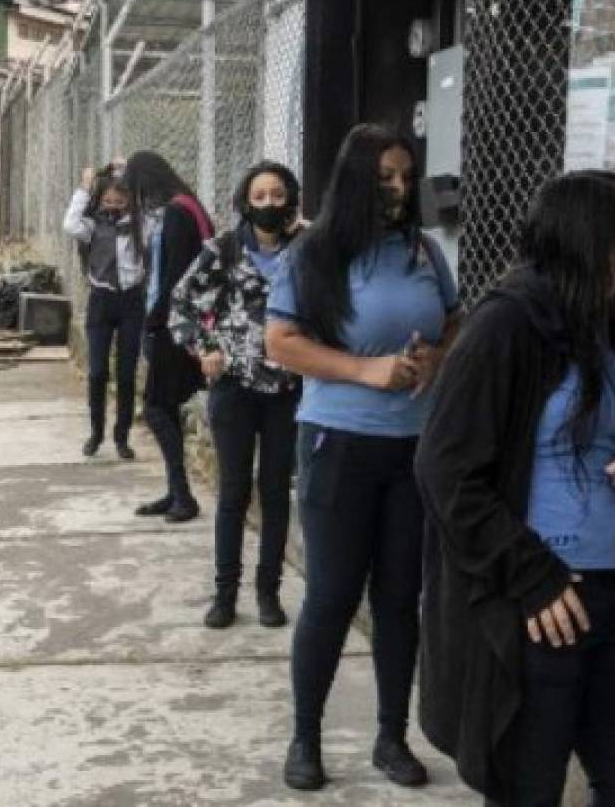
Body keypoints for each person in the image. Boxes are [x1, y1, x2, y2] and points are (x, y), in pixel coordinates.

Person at [414, 171, 615, 806]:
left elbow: (605, 444)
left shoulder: (598, 324)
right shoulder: (505, 325)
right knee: (526, 789)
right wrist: (531, 576)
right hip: (538, 606)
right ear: (593, 239)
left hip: (610, 599)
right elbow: (444, 468)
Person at [265, 124, 461, 792]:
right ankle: (306, 738)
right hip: (337, 444)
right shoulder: (314, 254)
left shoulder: (425, 252)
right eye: (385, 180)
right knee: (331, 596)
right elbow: (281, 343)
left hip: (414, 449)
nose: (401, 190)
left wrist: (438, 357)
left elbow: (454, 321)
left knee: (401, 598)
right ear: (355, 183)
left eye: (407, 177)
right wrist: (365, 370)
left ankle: (390, 737)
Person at [170, 160, 305, 630]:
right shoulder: (223, 250)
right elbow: (182, 303)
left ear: (291, 200)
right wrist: (202, 347)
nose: (269, 203)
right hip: (234, 389)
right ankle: (225, 595)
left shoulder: (305, 251)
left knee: (274, 491)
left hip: (287, 389)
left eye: (278, 195)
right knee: (234, 492)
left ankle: (268, 593)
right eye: (260, 196)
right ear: (245, 202)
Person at [125, 151, 214, 524]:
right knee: (165, 407)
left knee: (157, 409)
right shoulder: (189, 205)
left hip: (172, 327)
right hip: (179, 323)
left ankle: (183, 495)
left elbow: (177, 278)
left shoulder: (178, 213)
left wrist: (154, 322)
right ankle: (176, 491)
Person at [63, 163, 146, 460]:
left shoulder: (139, 225)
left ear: (129, 202)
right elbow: (70, 224)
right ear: (99, 201)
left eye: (119, 202)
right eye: (108, 201)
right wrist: (85, 188)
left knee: (126, 373)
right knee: (98, 372)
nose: (113, 207)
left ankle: (121, 436)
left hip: (131, 302)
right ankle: (96, 432)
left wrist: (132, 173)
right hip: (101, 300)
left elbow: (153, 208)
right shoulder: (92, 225)